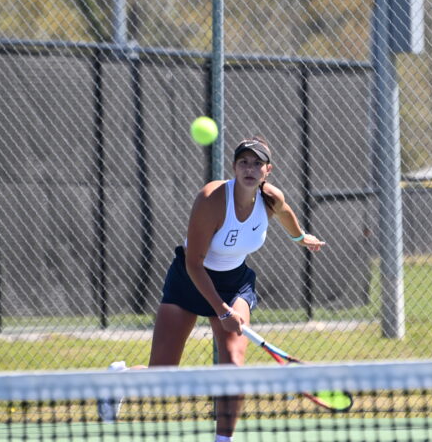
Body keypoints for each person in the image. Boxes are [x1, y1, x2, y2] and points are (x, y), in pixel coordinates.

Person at [98, 136, 326, 442]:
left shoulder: (271, 198)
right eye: (243, 162)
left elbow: (285, 214)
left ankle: (223, 439)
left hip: (235, 283)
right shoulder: (212, 198)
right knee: (160, 379)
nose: (249, 168)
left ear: (267, 170)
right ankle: (119, 382)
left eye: (256, 163)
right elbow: (194, 263)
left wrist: (301, 238)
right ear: (233, 167)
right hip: (190, 280)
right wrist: (221, 310)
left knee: (233, 363)